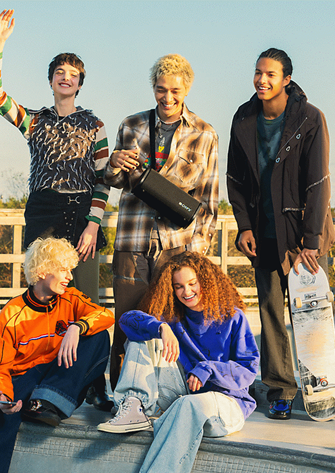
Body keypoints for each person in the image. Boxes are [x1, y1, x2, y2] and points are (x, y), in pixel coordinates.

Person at [226, 48, 335, 420]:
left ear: (286, 79)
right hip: (264, 233)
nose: (262, 80)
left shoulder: (309, 118)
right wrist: (243, 226)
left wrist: (311, 241)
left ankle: (321, 383)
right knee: (272, 312)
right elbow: (235, 179)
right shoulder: (243, 118)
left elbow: (318, 183)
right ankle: (280, 389)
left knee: (309, 312)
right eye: (258, 72)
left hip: (304, 233)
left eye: (271, 74)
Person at [104, 54, 219, 389]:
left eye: (175, 91)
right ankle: (121, 396)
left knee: (175, 325)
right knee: (127, 322)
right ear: (153, 88)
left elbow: (209, 199)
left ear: (187, 90)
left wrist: (198, 256)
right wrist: (113, 162)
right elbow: (111, 179)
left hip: (178, 247)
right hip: (132, 242)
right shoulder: (131, 125)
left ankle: (171, 392)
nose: (167, 98)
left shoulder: (205, 133)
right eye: (160, 89)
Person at [0, 9, 110, 305]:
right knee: (41, 294)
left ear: (80, 84)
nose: (65, 78)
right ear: (51, 80)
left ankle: (85, 350)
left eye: (73, 75)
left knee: (84, 298)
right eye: (59, 73)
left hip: (82, 214)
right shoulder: (34, 120)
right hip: (43, 210)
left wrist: (93, 226)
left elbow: (103, 180)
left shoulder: (96, 125)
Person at [97, 252, 259, 472]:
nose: (187, 292)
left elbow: (248, 371)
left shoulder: (233, 317)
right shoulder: (173, 317)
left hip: (227, 403)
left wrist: (207, 369)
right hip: (184, 394)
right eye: (179, 286)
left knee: (186, 406)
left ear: (206, 282)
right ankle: (134, 404)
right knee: (140, 338)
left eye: (193, 283)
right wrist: (161, 327)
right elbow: (127, 321)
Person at [0, 237, 114, 473]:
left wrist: (77, 327)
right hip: (25, 376)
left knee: (98, 336)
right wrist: (1, 395)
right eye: (63, 270)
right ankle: (33, 404)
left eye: (70, 270)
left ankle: (47, 403)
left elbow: (106, 315)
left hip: (61, 375)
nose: (69, 277)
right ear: (43, 270)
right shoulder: (13, 312)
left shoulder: (71, 298)